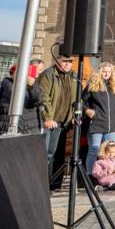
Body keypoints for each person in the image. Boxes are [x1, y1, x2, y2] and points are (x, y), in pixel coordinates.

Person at [34, 55, 78, 186]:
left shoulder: (73, 76)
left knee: (57, 153)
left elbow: (76, 97)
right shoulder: (48, 74)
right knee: (46, 153)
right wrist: (47, 117)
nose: (67, 64)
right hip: (49, 120)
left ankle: (54, 183)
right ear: (57, 61)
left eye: (70, 62)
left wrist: (75, 115)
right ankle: (41, 183)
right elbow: (43, 97)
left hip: (63, 121)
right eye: (64, 61)